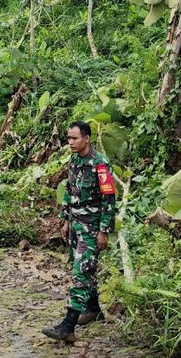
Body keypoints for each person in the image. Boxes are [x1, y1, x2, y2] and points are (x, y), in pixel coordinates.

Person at [42, 121, 116, 343]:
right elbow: (70, 190)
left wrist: (103, 231)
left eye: (74, 138)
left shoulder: (100, 164)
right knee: (85, 269)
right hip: (76, 225)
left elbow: (109, 199)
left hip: (92, 229)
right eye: (68, 138)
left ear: (87, 139)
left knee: (81, 273)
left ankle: (68, 326)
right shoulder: (75, 160)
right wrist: (65, 219)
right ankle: (93, 309)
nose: (70, 142)